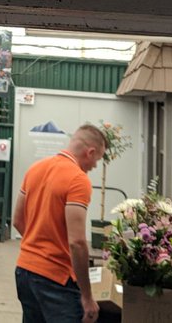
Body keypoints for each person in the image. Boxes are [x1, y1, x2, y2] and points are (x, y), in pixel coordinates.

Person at [12, 123, 106, 323]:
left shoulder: (35, 168)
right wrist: (88, 297)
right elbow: (77, 242)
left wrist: (38, 245)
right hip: (55, 278)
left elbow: (18, 220)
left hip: (24, 272)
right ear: (90, 152)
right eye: (96, 160)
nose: (94, 166)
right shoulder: (78, 180)